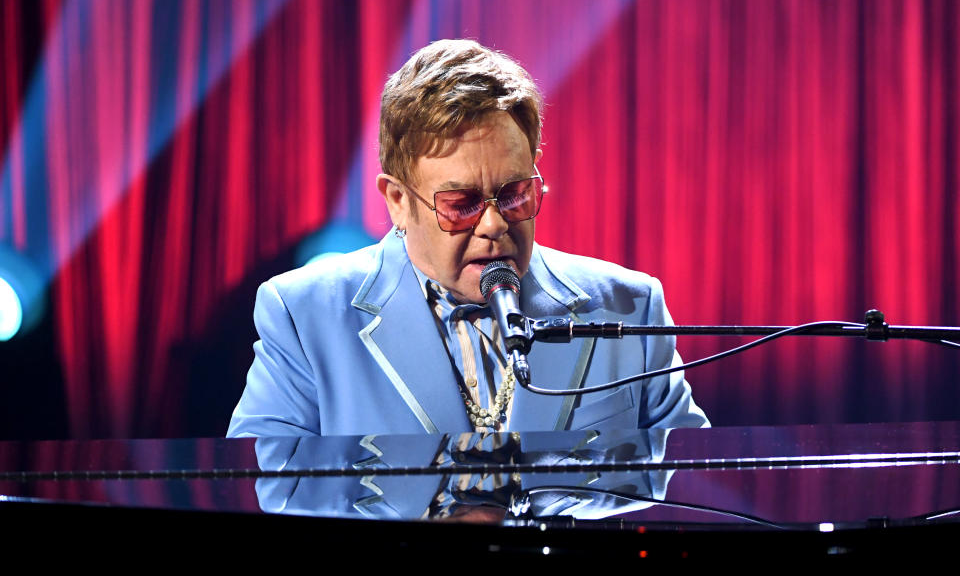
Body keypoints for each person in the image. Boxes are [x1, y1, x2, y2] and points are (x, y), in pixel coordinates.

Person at [228, 39, 707, 438]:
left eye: (516, 194)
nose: (495, 225)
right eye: (462, 205)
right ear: (397, 199)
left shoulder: (629, 306)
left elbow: (695, 494)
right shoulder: (304, 315)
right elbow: (261, 496)